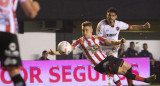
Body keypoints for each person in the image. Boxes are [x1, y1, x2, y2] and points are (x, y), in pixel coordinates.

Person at [49, 21, 156, 85]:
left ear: (91, 30)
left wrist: (119, 41)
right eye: (83, 30)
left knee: (128, 67)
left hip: (107, 58)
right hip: (100, 65)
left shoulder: (96, 38)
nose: (84, 32)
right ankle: (146, 80)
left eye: (86, 30)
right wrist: (56, 52)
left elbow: (109, 41)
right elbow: (69, 49)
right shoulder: (80, 41)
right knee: (123, 72)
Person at [96, 7, 150, 86]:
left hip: (114, 50)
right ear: (106, 15)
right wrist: (113, 43)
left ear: (116, 17)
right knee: (113, 70)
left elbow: (131, 27)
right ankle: (110, 82)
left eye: (112, 15)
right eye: (109, 15)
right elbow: (99, 40)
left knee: (127, 68)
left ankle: (126, 84)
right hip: (104, 50)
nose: (110, 17)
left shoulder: (119, 24)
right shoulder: (101, 25)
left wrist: (143, 26)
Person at [0, 0, 40, 86]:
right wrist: (35, 6)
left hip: (7, 32)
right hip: (7, 32)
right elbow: (31, 13)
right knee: (14, 73)